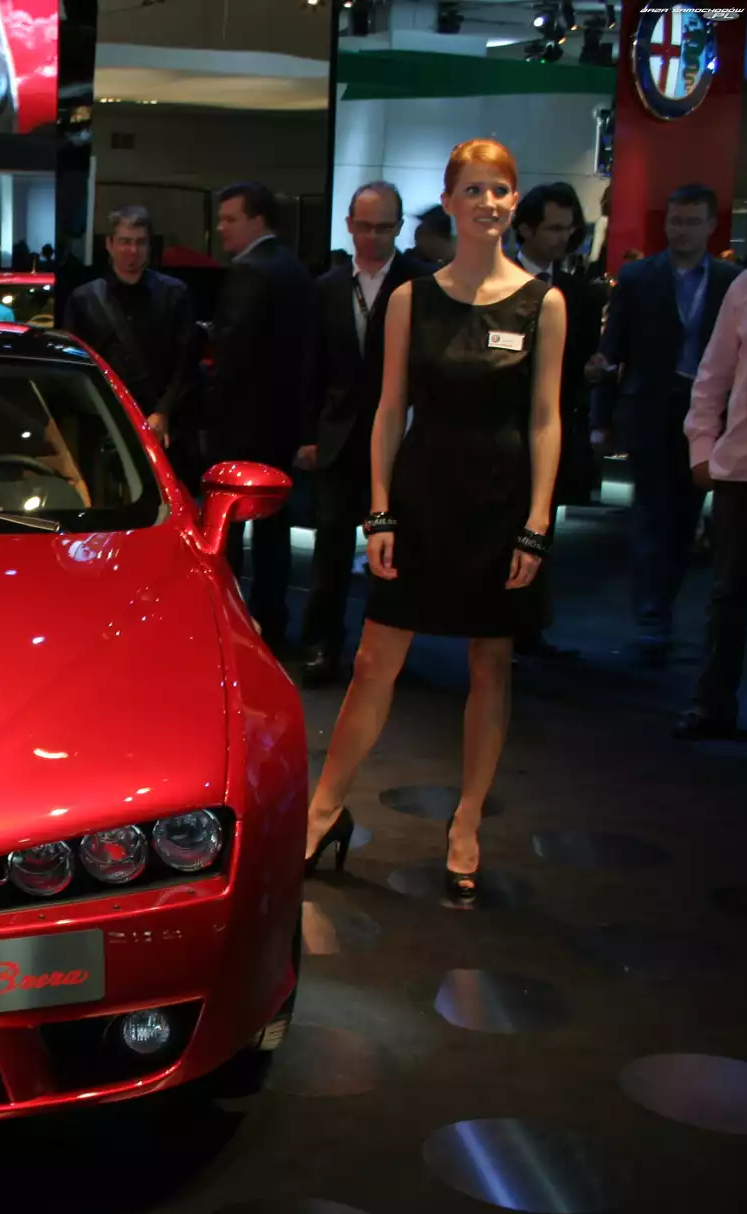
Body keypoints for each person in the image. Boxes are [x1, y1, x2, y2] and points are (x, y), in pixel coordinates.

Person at [305, 139, 565, 908]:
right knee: (372, 661)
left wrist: (538, 521)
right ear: (449, 202)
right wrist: (380, 507)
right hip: (421, 497)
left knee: (491, 665)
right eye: (473, 190)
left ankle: (467, 822)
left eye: (501, 190)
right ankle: (324, 808)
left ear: (514, 202)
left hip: (501, 502)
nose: (489, 202)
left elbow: (546, 418)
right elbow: (389, 409)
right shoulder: (412, 299)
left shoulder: (543, 303)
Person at [590, 185, 741, 666]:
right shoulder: (638, 277)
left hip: (708, 413)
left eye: (692, 222)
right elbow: (612, 350)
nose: (682, 231)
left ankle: (665, 607)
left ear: (710, 225)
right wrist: (601, 418)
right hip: (651, 408)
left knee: (685, 518)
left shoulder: (730, 280)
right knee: (652, 516)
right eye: (676, 221)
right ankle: (652, 618)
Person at [295, 181, 429, 686]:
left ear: (399, 227)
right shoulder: (327, 286)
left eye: (385, 227)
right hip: (339, 434)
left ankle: (386, 655)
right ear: (349, 225)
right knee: (329, 547)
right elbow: (310, 365)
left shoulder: (420, 283)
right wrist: (307, 434)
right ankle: (321, 645)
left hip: (402, 437)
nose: (374, 237)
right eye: (365, 226)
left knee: (395, 551)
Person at [209, 180, 312, 647]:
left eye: (230, 219)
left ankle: (226, 620)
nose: (221, 228)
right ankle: (273, 620)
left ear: (257, 220)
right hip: (282, 423)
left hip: (241, 424)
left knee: (227, 529)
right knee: (274, 530)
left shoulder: (249, 271)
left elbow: (233, 355)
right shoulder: (295, 269)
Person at [507, 182, 600, 659]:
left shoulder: (576, 291)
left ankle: (528, 626)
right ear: (526, 229)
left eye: (568, 229)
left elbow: (578, 359)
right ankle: (499, 625)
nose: (563, 237)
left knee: (540, 525)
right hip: (499, 426)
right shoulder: (497, 282)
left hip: (552, 422)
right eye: (554, 228)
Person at [60, 207, 197, 483]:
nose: (132, 251)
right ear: (109, 244)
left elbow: (185, 362)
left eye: (139, 242)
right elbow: (72, 369)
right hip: (102, 428)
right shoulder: (84, 299)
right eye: (124, 241)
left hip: (161, 428)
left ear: (149, 246)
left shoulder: (175, 294)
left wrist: (163, 412)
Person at [677, 266, 747, 738]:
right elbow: (712, 375)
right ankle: (713, 704)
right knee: (729, 596)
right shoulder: (746, 286)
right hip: (743, 470)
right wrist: (701, 446)